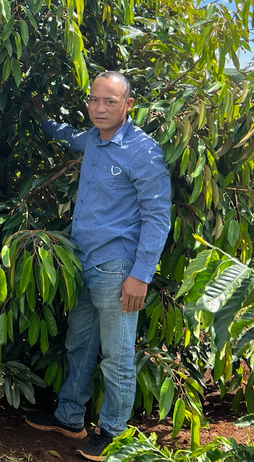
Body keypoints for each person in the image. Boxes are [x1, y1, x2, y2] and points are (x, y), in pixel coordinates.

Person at [25, 72, 172, 461]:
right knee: (79, 343)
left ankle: (115, 433)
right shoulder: (92, 138)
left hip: (118, 267)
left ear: (129, 105)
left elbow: (158, 217)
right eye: (94, 100)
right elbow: (68, 135)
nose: (100, 108)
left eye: (110, 101)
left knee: (117, 355)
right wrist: (40, 116)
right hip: (82, 263)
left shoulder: (143, 151)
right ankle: (70, 417)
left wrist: (140, 276)